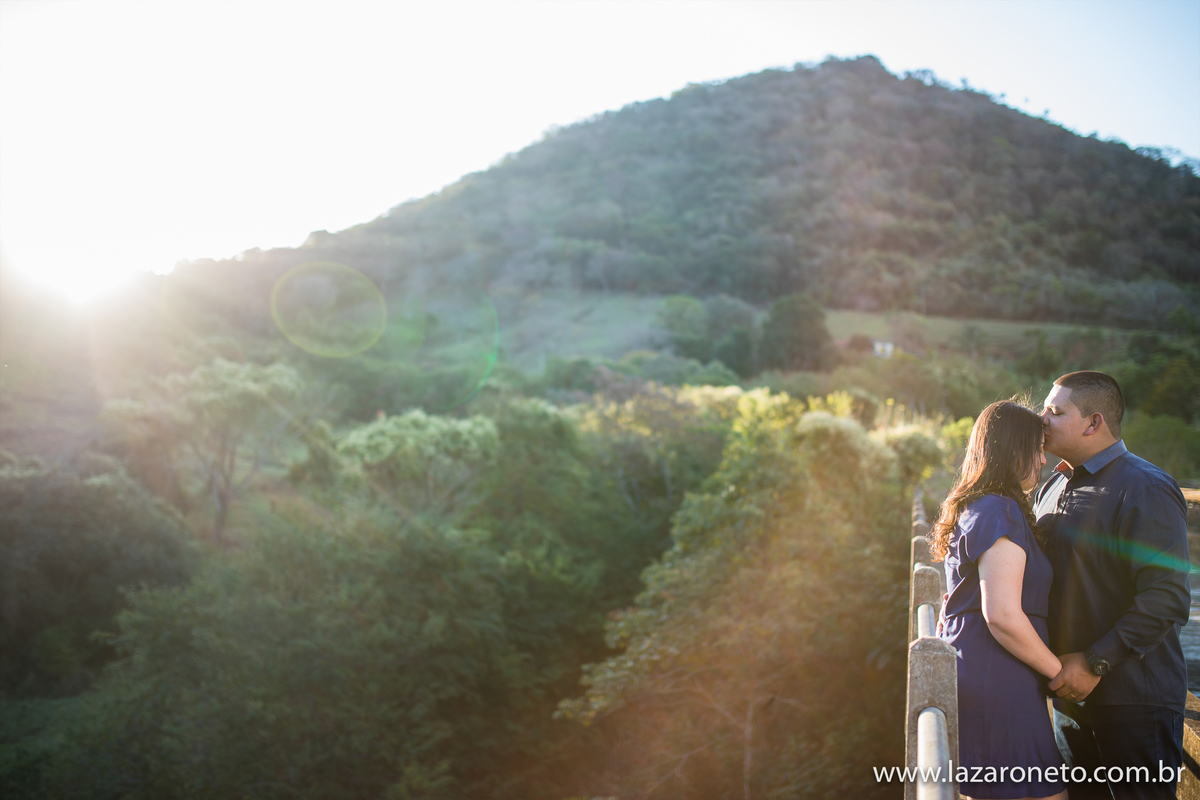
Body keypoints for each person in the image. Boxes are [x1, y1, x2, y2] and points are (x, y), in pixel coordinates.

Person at [1035, 371, 1190, 800]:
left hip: (1133, 700)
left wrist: (1093, 662)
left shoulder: (1146, 487)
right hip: (1068, 697)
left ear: (1093, 422)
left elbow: (1167, 596)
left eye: (1055, 411)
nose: (1041, 419)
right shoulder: (1052, 485)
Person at [933, 399, 1065, 800]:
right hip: (999, 678)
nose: (1043, 459)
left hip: (990, 671)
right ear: (1012, 450)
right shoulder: (999, 511)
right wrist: (1059, 673)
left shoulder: (982, 506)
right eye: (1036, 448)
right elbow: (1003, 615)